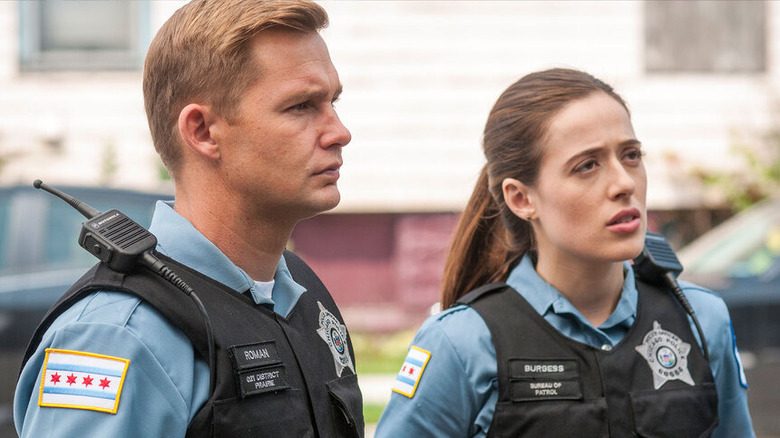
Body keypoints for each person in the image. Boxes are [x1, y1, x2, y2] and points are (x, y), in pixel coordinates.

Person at [14, 1, 364, 437]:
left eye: (332, 101)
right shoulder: (119, 336)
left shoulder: (300, 293)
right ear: (201, 131)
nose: (339, 131)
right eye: (300, 106)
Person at [375, 68, 754, 437]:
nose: (624, 183)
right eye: (587, 165)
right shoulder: (462, 343)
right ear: (521, 198)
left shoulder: (701, 319)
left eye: (631, 155)